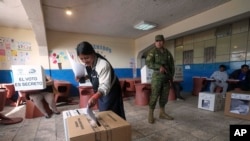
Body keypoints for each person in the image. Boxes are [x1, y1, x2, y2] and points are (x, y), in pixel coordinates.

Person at [76, 41, 126, 120]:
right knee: (103, 111)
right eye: (81, 59)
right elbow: (94, 75)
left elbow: (105, 85)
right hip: (101, 90)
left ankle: (119, 128)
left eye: (86, 57)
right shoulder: (90, 63)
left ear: (93, 53)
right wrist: (83, 78)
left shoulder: (103, 64)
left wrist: (95, 97)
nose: (84, 61)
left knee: (112, 112)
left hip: (111, 90)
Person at [146, 34, 175, 124]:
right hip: (157, 78)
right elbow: (148, 63)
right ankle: (150, 114)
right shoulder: (153, 52)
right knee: (154, 96)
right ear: (155, 42)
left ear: (163, 42)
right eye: (157, 41)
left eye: (160, 41)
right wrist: (159, 67)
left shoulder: (167, 53)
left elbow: (171, 65)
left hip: (166, 78)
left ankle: (162, 113)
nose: (159, 43)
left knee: (164, 97)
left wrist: (171, 77)